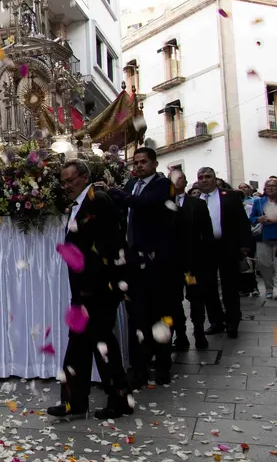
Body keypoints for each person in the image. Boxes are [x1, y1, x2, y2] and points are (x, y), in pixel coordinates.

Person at [48, 160, 131, 419]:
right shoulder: (81, 203)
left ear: (84, 177)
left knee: (102, 344)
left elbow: (108, 245)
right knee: (79, 344)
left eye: (70, 180)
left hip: (98, 288)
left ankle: (118, 399)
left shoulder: (98, 200)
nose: (66, 186)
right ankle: (75, 401)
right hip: (84, 288)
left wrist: (94, 284)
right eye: (63, 181)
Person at [107, 147, 178, 387]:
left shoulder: (162, 184)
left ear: (154, 164)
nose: (138, 166)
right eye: (135, 163)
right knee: (136, 316)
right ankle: (139, 368)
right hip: (132, 261)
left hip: (155, 261)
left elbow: (146, 203)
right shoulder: (131, 185)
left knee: (158, 314)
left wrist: (119, 194)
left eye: (143, 162)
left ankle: (163, 367)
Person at [195, 167, 254, 338]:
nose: (204, 180)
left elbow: (242, 221)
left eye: (208, 177)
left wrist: (245, 244)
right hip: (205, 249)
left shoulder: (229, 196)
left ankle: (232, 321)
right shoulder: (195, 200)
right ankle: (216, 321)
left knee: (230, 286)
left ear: (215, 179)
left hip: (227, 246)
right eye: (201, 177)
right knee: (208, 286)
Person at [171, 170, 213, 351]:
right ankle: (180, 335)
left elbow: (207, 233)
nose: (176, 181)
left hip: (193, 263)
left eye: (179, 178)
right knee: (174, 300)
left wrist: (206, 258)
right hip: (172, 263)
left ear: (186, 181)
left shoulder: (197, 204)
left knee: (195, 297)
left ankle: (199, 332)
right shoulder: (163, 204)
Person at [249, 177, 277, 300]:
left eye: (273, 186)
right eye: (268, 186)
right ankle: (269, 288)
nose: (270, 188)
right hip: (263, 237)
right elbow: (251, 218)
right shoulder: (259, 202)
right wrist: (259, 219)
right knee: (264, 264)